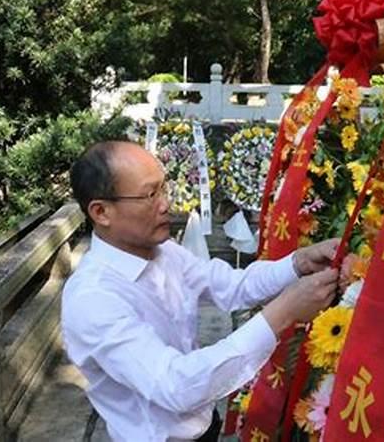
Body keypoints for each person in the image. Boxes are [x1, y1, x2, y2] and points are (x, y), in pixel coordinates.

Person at [62, 140, 341, 442]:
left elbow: (233, 285)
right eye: (149, 194)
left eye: (163, 188)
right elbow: (176, 386)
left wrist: (297, 263)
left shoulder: (165, 252)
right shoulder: (93, 299)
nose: (166, 204)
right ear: (101, 212)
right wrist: (283, 312)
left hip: (205, 424)